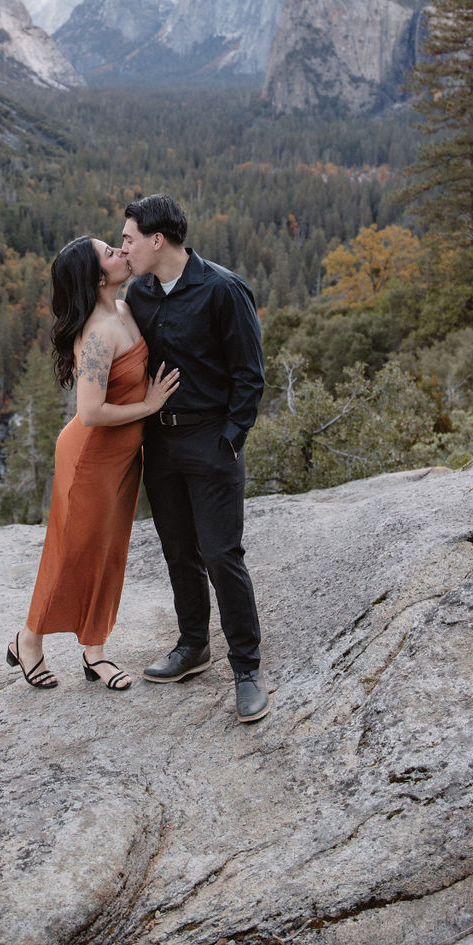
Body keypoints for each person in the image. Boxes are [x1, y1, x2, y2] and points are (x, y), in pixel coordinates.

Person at [6, 236, 179, 691]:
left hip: (124, 456)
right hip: (90, 457)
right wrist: (149, 406)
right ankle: (28, 640)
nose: (122, 253)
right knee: (73, 553)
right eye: (111, 252)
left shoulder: (123, 311)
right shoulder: (99, 333)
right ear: (98, 277)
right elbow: (90, 413)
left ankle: (95, 652)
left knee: (109, 551)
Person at [121, 195, 269, 723]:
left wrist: (230, 438)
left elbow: (250, 373)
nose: (125, 247)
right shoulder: (138, 292)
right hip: (158, 446)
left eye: (129, 239)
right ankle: (192, 647)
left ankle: (246, 669)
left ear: (157, 240)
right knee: (178, 550)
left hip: (211, 442)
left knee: (221, 553)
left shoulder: (223, 289)